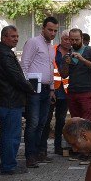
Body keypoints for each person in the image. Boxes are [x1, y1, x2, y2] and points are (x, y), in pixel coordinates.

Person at [0, 26, 35, 175]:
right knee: (11, 135)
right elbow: (16, 77)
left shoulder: (5, 52)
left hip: (8, 100)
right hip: (9, 101)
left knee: (10, 134)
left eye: (17, 36)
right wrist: (31, 89)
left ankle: (9, 164)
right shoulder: (4, 54)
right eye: (12, 36)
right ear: (4, 37)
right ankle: (9, 165)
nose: (16, 39)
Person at [21, 16, 58, 168]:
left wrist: (52, 89)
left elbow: (50, 68)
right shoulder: (33, 42)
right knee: (33, 122)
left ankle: (36, 153)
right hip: (33, 87)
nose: (53, 33)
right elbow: (24, 64)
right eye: (50, 30)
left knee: (42, 123)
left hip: (46, 89)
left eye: (55, 30)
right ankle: (30, 155)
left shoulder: (50, 47)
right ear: (42, 28)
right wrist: (26, 87)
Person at [59, 28, 91, 122]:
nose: (74, 42)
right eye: (72, 40)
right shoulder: (68, 54)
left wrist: (83, 60)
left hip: (86, 91)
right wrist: (66, 63)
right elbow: (64, 75)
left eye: (77, 40)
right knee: (75, 122)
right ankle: (78, 137)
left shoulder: (90, 51)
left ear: (82, 38)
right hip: (72, 92)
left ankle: (88, 137)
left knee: (87, 121)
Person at [40, 30, 71, 157]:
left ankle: (58, 147)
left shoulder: (73, 53)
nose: (68, 42)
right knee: (46, 119)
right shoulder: (52, 50)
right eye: (65, 39)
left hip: (66, 91)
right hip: (52, 90)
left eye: (70, 39)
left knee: (61, 121)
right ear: (61, 39)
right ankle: (43, 149)